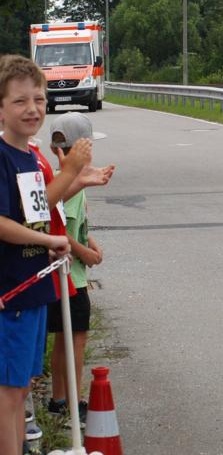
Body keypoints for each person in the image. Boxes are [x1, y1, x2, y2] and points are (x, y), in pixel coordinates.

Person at [0, 55, 92, 455]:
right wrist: (53, 241)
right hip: (12, 293)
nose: (32, 109)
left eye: (38, 99)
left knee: (21, 388)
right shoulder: (3, 156)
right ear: (1, 108)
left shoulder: (30, 157)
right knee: (8, 394)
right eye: (19, 101)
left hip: (35, 290)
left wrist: (75, 180)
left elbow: (36, 215)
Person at [46, 112, 106, 428]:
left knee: (64, 338)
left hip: (68, 274)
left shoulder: (64, 181)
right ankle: (72, 402)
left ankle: (59, 399)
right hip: (70, 275)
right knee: (75, 341)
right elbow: (58, 230)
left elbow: (74, 226)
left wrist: (90, 242)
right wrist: (87, 254)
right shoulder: (68, 184)